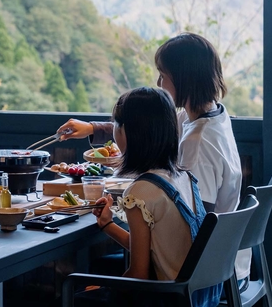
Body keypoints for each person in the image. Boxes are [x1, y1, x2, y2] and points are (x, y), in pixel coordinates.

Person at [58, 32, 249, 289]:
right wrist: (94, 128)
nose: (159, 82)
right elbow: (152, 129)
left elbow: (188, 227)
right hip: (213, 264)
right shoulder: (208, 118)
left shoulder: (199, 143)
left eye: (163, 75)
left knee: (82, 285)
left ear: (184, 78)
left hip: (199, 275)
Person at [85, 87, 220, 307]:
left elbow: (138, 275)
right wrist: (107, 225)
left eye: (116, 125)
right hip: (195, 297)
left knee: (72, 292)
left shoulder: (140, 192)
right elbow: (152, 248)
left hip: (164, 299)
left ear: (128, 132)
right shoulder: (185, 178)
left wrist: (108, 287)